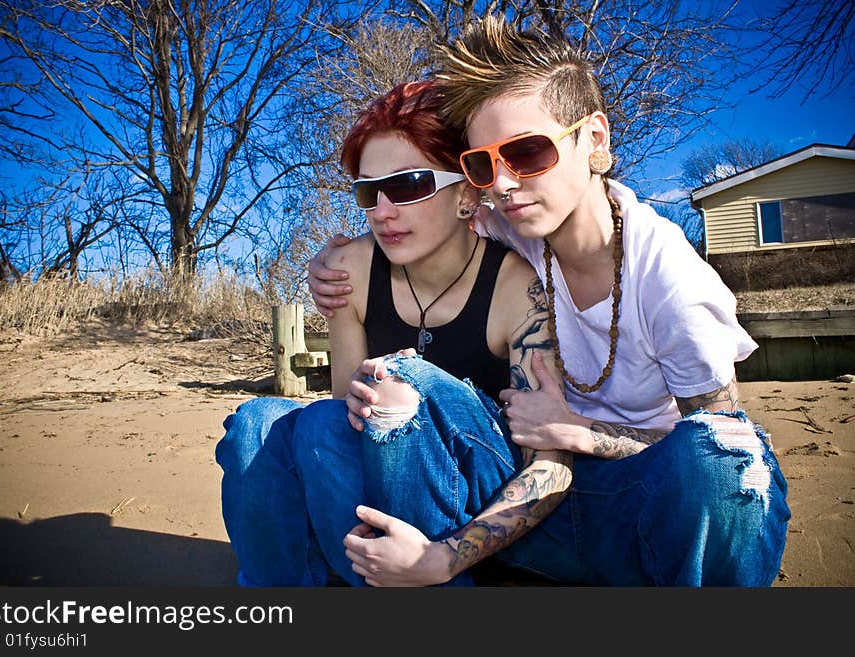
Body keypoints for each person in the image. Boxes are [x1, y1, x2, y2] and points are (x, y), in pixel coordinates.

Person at [307, 16, 791, 586]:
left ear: (596, 141)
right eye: (484, 162)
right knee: (396, 387)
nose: (504, 183)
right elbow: (420, 217)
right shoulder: (512, 227)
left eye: (529, 153)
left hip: (641, 508)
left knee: (723, 462)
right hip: (538, 508)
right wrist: (331, 262)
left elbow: (715, 447)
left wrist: (581, 431)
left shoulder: (674, 285)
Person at [215, 79, 572, 587]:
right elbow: (340, 419)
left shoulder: (516, 287)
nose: (382, 211)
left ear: (467, 191)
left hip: (474, 497)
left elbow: (546, 464)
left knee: (398, 384)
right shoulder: (350, 269)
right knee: (256, 424)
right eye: (368, 191)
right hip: (376, 470)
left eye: (408, 185)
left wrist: (448, 555)